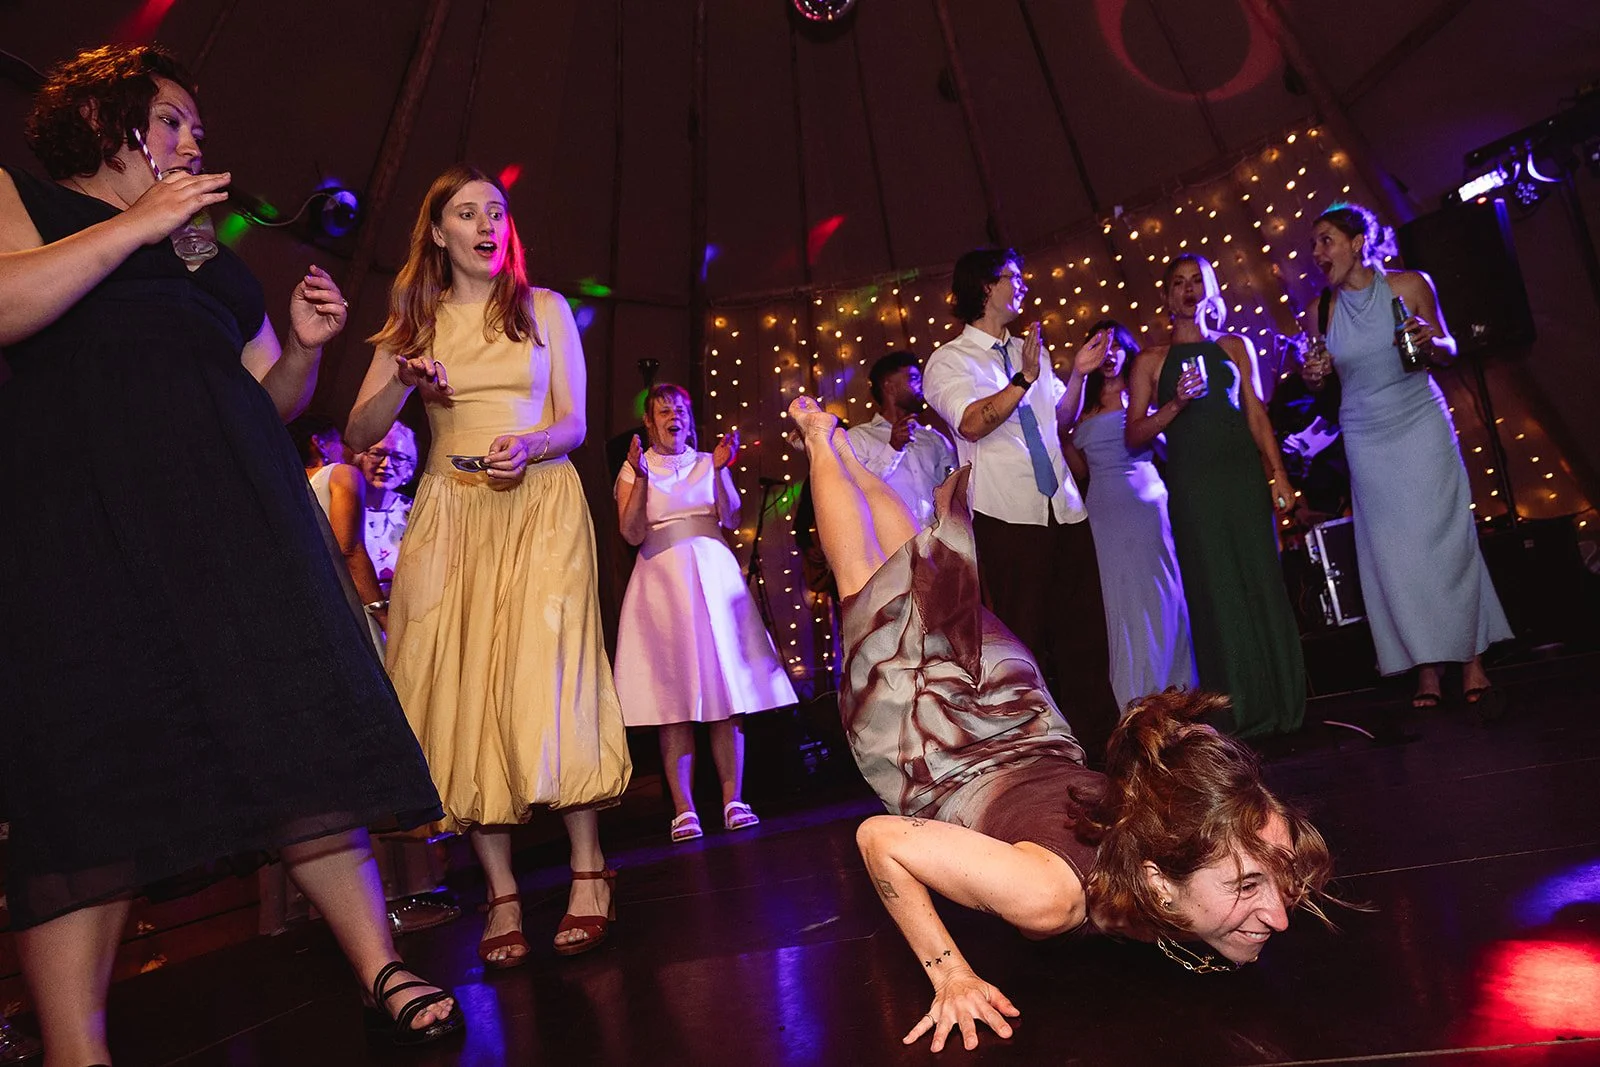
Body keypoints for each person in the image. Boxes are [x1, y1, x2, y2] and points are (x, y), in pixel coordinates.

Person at [0, 44, 461, 1060]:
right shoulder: (23, 200)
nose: (192, 142)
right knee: (88, 773)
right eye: (171, 120)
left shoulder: (202, 246)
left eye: (197, 129)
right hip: (86, 530)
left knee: (294, 731)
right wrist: (135, 225)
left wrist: (299, 348)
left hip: (230, 526)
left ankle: (378, 965)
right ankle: (78, 1048)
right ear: (106, 122)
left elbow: (265, 397)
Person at [786, 394, 1335, 1054]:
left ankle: (848, 452)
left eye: (1272, 878)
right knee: (862, 581)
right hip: (941, 743)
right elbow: (880, 839)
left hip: (1020, 710)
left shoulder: (1182, 828)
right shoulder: (1050, 896)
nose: (1278, 914)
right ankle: (820, 438)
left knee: (921, 574)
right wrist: (950, 973)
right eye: (1247, 886)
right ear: (1158, 885)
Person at [347, 163, 631, 967]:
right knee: (469, 687)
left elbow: (574, 421)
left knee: (550, 675)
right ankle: (501, 892)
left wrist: (531, 444)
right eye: (467, 213)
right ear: (438, 233)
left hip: (541, 502)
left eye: (496, 211)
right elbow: (359, 428)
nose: (486, 225)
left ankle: (588, 870)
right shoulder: (414, 322)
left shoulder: (544, 309)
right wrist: (403, 381)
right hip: (453, 514)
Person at [1305, 202, 1511, 710]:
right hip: (1365, 436)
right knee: (1394, 554)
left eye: (1326, 240)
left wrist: (1433, 340)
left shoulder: (1410, 285)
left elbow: (1450, 348)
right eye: (1314, 244)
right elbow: (1324, 378)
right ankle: (1426, 670)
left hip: (1420, 422)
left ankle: (1472, 659)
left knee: (1446, 539)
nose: (1317, 253)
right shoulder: (1321, 310)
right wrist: (1315, 377)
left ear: (1357, 243)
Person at [922, 248, 1120, 761]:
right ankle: (1041, 760)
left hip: (1063, 509)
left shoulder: (1029, 349)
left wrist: (1078, 376)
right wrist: (1023, 380)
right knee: (1024, 645)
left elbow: (1059, 422)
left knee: (1084, 641)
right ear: (986, 286)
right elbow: (970, 423)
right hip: (1007, 515)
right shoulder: (950, 360)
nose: (1024, 284)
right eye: (1014, 276)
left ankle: (1103, 755)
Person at [1125, 255, 1306, 738]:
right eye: (1178, 283)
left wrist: (1278, 475)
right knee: (1217, 592)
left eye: (1196, 282)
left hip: (1242, 481)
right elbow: (1134, 434)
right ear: (1166, 296)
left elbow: (1256, 414)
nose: (1188, 290)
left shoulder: (1233, 346)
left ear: (1209, 290)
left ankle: (1285, 706)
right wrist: (1176, 403)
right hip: (1194, 490)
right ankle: (1239, 712)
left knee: (1261, 583)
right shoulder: (1150, 360)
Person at [614, 383, 797, 842]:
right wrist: (641, 477)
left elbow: (731, 517)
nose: (673, 416)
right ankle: (684, 809)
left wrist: (718, 470)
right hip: (662, 586)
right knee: (673, 699)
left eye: (680, 409)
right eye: (663, 411)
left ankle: (734, 799)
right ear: (649, 422)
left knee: (724, 694)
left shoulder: (705, 461)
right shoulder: (635, 468)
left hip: (713, 578)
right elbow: (631, 533)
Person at [1061, 319, 1196, 710]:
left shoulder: (1144, 395)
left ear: (1129, 350)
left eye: (1116, 345)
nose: (1109, 354)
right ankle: (1135, 699)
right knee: (1120, 600)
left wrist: (1166, 413)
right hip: (1104, 509)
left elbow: (1172, 449)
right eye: (1100, 346)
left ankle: (1178, 691)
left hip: (1148, 502)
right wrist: (1061, 440)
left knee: (1163, 592)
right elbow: (1080, 471)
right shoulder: (1081, 409)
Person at [291, 416, 388, 643]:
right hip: (343, 602)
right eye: (340, 441)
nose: (348, 451)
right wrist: (382, 614)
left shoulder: (287, 482)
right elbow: (349, 549)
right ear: (319, 442)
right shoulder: (341, 474)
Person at [846, 350, 956, 530]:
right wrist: (893, 448)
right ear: (889, 387)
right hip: (890, 541)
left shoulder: (935, 439)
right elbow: (855, 489)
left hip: (937, 538)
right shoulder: (858, 438)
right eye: (913, 378)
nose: (921, 385)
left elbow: (953, 491)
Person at [355, 420, 418, 597]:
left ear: (409, 469)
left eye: (398, 457)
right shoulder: (345, 507)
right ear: (361, 458)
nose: (386, 464)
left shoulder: (417, 512)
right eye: (377, 454)